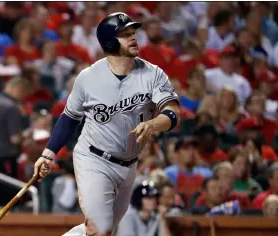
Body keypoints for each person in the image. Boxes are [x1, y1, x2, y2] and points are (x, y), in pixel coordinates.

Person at [33, 12, 181, 236]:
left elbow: (173, 113)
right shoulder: (88, 77)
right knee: (100, 229)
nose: (133, 38)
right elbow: (70, 117)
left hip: (129, 164)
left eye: (133, 33)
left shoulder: (153, 74)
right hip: (94, 158)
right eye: (125, 34)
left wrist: (154, 124)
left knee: (105, 231)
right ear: (109, 42)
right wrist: (48, 153)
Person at [0, 77, 32, 206]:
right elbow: (14, 138)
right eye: (24, 94)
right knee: (8, 200)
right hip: (5, 158)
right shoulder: (11, 108)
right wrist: (28, 133)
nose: (23, 98)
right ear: (18, 89)